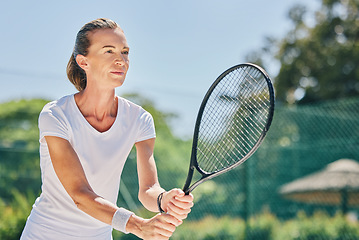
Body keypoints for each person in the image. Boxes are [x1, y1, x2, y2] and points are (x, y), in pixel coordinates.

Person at [20, 18, 194, 240]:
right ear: (83, 61)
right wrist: (138, 225)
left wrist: (163, 199)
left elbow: (148, 189)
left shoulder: (140, 119)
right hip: (44, 234)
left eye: (125, 52)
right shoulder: (55, 115)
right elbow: (79, 194)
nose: (120, 60)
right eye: (108, 51)